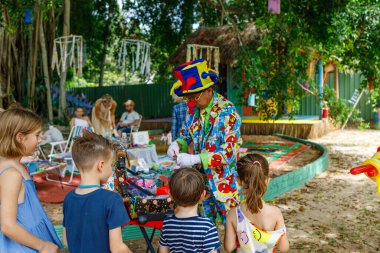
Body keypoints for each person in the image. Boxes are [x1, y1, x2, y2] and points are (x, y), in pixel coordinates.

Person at [167, 58, 242, 225]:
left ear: (209, 90)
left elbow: (228, 154)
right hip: (201, 185)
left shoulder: (228, 112)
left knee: (235, 230)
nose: (191, 102)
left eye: (195, 97)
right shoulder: (192, 109)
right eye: (189, 98)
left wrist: (196, 159)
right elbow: (186, 135)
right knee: (204, 233)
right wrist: (177, 144)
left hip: (225, 184)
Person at [0, 108, 63, 252]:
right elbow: (8, 225)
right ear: (20, 137)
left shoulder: (17, 166)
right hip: (22, 245)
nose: (40, 139)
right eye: (37, 135)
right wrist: (42, 245)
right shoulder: (11, 174)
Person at [62, 131, 132, 253]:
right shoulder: (112, 200)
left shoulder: (68, 198)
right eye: (111, 165)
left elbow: (66, 240)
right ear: (101, 165)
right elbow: (117, 248)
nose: (112, 169)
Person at [224, 154, 289, 253]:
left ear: (238, 181)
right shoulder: (275, 213)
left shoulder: (233, 213)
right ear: (267, 181)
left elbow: (229, 247)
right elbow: (284, 248)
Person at [159, 168, 220, 253]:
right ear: (202, 195)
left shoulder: (167, 223)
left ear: (170, 195)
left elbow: (163, 251)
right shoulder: (207, 227)